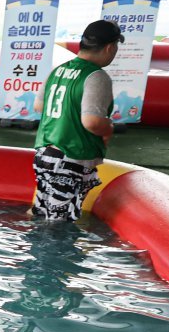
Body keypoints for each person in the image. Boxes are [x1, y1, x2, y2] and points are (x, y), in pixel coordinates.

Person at [30, 19, 123, 222]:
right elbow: (91, 121)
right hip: (71, 158)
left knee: (42, 214)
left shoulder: (58, 70)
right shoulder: (96, 76)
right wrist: (108, 127)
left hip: (45, 155)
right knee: (59, 225)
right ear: (110, 47)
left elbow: (39, 106)